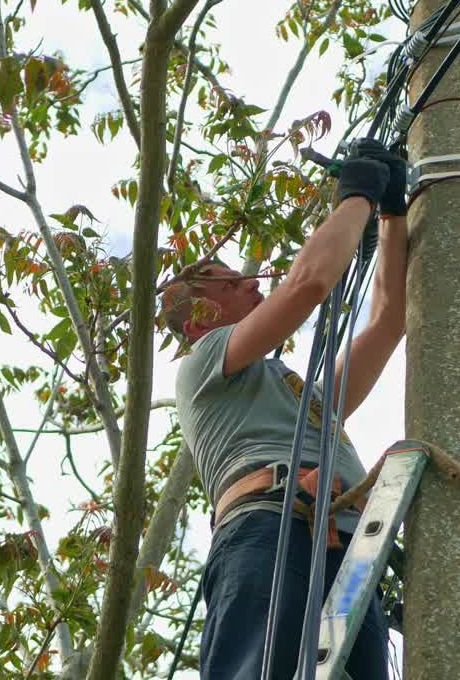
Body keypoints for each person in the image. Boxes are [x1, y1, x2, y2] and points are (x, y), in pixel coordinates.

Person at [163, 141, 409, 680]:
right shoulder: (205, 362)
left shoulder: (305, 399)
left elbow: (389, 322)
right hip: (268, 527)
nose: (252, 282)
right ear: (197, 320)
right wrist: (357, 197)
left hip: (346, 548)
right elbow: (308, 285)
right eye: (231, 283)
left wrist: (392, 213)